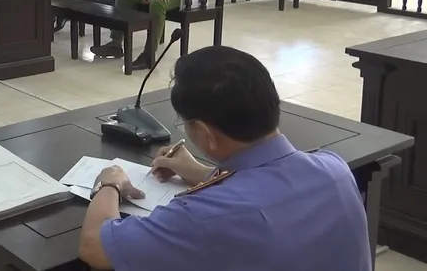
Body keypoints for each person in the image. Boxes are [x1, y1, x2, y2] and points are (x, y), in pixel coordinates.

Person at [78, 46, 372, 271]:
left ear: (205, 133)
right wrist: (201, 172)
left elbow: (94, 248)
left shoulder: (203, 216)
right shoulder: (335, 169)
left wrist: (110, 183)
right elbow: (266, 190)